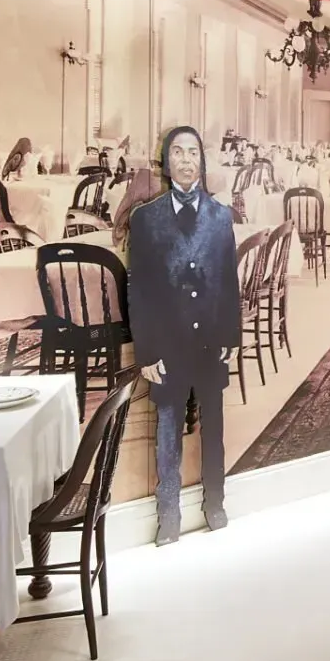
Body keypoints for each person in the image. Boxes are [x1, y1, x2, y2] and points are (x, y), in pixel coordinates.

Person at [127, 126, 239, 545]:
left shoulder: (220, 216)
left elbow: (230, 280)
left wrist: (230, 333)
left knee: (215, 428)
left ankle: (215, 501)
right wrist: (147, 351)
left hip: (211, 342)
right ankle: (168, 514)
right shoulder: (146, 219)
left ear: (202, 161)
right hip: (168, 345)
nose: (186, 160)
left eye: (193, 152)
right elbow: (138, 290)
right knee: (168, 429)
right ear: (166, 161)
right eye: (178, 152)